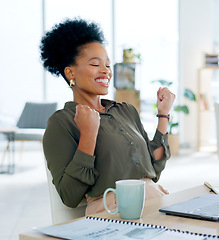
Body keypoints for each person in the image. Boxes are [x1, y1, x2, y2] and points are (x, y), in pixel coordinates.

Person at [40, 19, 175, 215]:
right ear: (70, 72)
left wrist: (163, 114)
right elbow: (69, 196)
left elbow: (153, 169)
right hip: (112, 214)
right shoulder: (62, 122)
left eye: (108, 65)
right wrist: (88, 135)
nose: (106, 71)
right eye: (95, 64)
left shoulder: (126, 110)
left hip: (155, 201)